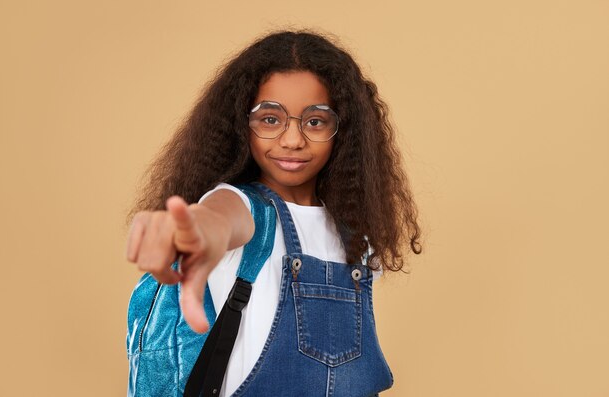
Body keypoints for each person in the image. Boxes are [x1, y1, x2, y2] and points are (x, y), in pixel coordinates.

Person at [126, 30, 422, 397]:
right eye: (270, 119)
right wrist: (191, 232)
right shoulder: (244, 209)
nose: (292, 139)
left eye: (315, 121)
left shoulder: (357, 242)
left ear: (342, 131)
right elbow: (219, 219)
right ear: (240, 125)